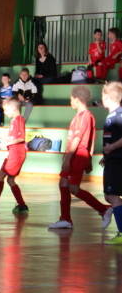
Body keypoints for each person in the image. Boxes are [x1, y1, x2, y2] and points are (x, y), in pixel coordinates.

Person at [49, 86, 113, 229]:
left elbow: (79, 139)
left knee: (73, 188)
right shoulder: (80, 116)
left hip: (77, 154)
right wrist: (87, 159)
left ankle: (104, 209)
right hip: (76, 154)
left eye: (71, 99)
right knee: (63, 184)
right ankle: (65, 219)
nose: (70, 101)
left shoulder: (85, 116)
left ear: (77, 100)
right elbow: (92, 140)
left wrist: (69, 158)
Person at [0, 97, 29, 213]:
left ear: (14, 108)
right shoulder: (15, 120)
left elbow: (20, 138)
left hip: (15, 155)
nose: (4, 112)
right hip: (15, 154)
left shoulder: (18, 120)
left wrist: (6, 144)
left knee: (0, 176)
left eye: (6, 109)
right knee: (10, 180)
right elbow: (13, 137)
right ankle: (22, 205)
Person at [99, 81, 122, 244]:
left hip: (118, 161)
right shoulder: (112, 115)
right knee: (109, 196)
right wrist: (106, 155)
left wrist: (112, 147)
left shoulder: (119, 115)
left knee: (113, 196)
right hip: (111, 159)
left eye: (102, 95)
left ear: (107, 97)